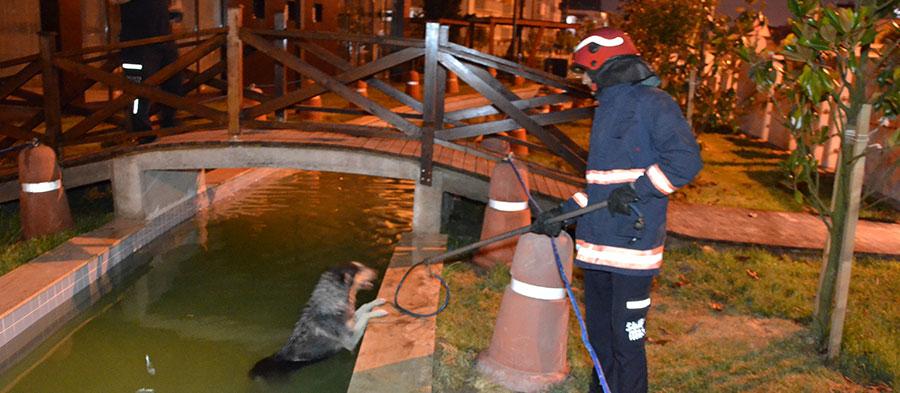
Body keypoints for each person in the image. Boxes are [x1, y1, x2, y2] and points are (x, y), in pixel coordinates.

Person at [531, 27, 702, 393]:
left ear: (603, 65)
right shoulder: (608, 108)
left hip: (632, 253)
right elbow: (600, 188)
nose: (585, 82)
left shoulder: (654, 104)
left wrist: (640, 189)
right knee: (599, 342)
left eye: (586, 72)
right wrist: (558, 215)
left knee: (627, 346)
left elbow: (685, 161)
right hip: (596, 252)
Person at [112, 0, 184, 143]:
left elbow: (175, 10)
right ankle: (141, 131)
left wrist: (175, 14)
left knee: (174, 82)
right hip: (137, 44)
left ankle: (168, 121)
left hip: (164, 40)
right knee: (137, 91)